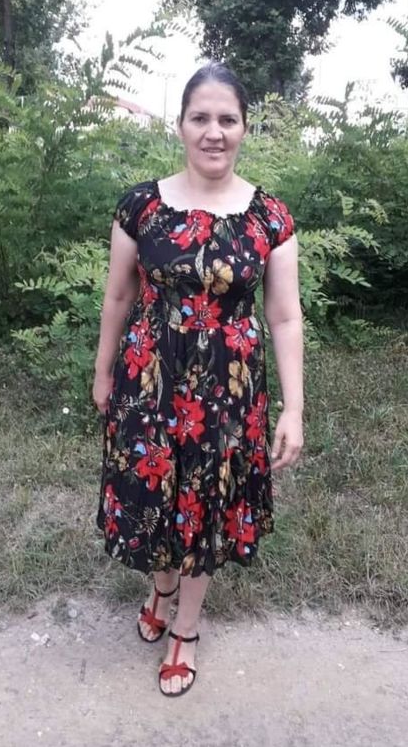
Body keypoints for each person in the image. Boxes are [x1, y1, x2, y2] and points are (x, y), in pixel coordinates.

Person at [92, 62, 303, 697]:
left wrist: (294, 409)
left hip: (228, 393)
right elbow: (118, 296)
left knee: (204, 505)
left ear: (244, 128)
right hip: (148, 382)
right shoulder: (142, 206)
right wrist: (102, 372)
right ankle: (161, 589)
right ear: (181, 125)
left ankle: (185, 629)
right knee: (154, 495)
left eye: (227, 119)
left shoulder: (269, 217)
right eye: (201, 118)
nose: (214, 131)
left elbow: (285, 316)